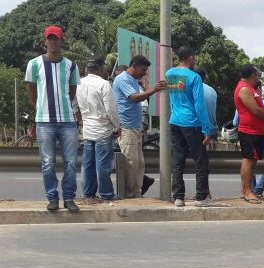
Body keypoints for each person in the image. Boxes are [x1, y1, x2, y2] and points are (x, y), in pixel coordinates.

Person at [25, 25, 81, 212]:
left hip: (68, 121)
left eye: (56, 38)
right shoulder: (34, 64)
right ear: (45, 41)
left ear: (62, 41)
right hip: (44, 120)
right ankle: (52, 197)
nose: (53, 42)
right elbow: (32, 90)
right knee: (48, 163)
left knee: (71, 163)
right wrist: (39, 108)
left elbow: (72, 92)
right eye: (50, 38)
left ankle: (69, 197)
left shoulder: (71, 65)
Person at [166, 46, 214, 207]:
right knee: (201, 161)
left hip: (175, 121)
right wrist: (206, 129)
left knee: (177, 160)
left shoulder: (170, 74)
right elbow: (199, 105)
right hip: (191, 123)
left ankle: (178, 197)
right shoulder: (194, 77)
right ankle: (201, 197)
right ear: (190, 57)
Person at [112, 54, 167, 198]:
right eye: (143, 70)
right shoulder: (123, 79)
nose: (144, 73)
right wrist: (154, 90)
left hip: (135, 127)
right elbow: (134, 98)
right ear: (134, 65)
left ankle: (136, 192)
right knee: (131, 162)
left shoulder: (133, 80)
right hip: (127, 126)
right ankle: (129, 193)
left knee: (139, 163)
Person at [77, 55, 121, 201]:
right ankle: (107, 194)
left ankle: (88, 193)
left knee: (88, 164)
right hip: (102, 129)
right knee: (103, 165)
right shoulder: (104, 84)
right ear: (101, 68)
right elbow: (111, 109)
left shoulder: (79, 83)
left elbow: (74, 106)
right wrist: (118, 125)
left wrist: (81, 121)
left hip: (88, 129)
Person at [234, 64, 264, 204]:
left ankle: (245, 190)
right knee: (248, 160)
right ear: (252, 75)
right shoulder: (244, 89)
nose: (258, 77)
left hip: (256, 131)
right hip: (248, 131)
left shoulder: (250, 88)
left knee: (252, 161)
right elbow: (255, 110)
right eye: (256, 75)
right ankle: (247, 191)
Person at [196, 68, 219, 140]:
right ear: (205, 77)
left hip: (196, 129)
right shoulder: (212, 90)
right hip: (212, 130)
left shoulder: (191, 89)